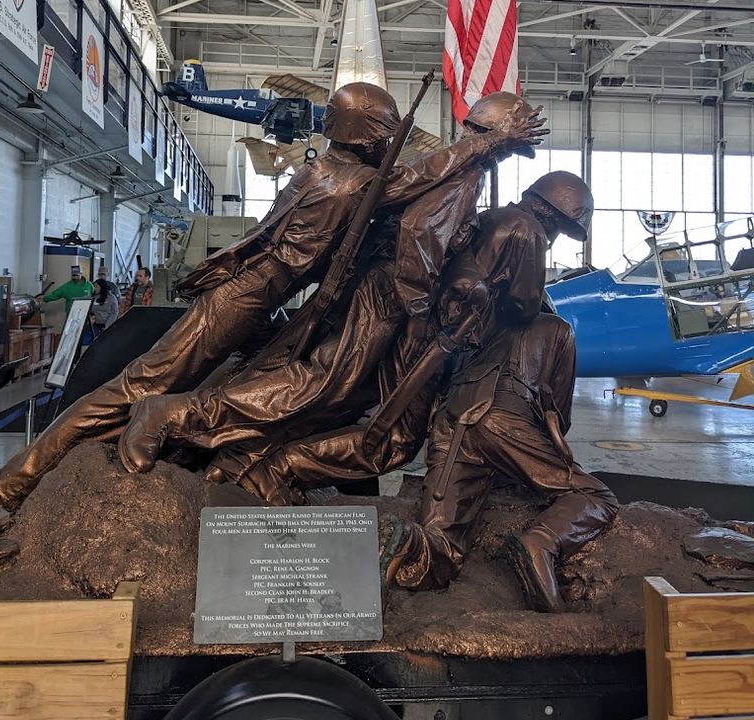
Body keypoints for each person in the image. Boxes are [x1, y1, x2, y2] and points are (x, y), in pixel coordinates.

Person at [0, 83, 545, 516]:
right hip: (246, 296)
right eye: (386, 131)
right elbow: (409, 187)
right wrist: (482, 144)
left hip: (254, 295)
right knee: (135, 388)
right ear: (365, 135)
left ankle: (53, 474)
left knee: (245, 378)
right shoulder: (354, 181)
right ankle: (2, 489)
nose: (393, 139)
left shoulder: (330, 167)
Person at [116, 92, 540, 478]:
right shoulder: (465, 175)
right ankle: (171, 415)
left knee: (329, 388)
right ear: (500, 137)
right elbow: (419, 232)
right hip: (387, 291)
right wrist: (416, 310)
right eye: (519, 138)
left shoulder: (461, 167)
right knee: (322, 383)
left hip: (380, 286)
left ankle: (236, 462)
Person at [223, 171, 594, 508]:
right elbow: (525, 306)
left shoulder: (494, 216)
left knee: (360, 416)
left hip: (416, 335)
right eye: (562, 229)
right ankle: (281, 468)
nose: (555, 237)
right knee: (392, 441)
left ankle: (263, 461)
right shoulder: (526, 231)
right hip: (430, 346)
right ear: (552, 216)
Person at [383, 312, 618, 613]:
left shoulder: (466, 328)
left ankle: (403, 539)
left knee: (441, 548)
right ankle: (540, 543)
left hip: (449, 427)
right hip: (503, 418)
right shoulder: (557, 329)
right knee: (596, 496)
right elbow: (557, 416)